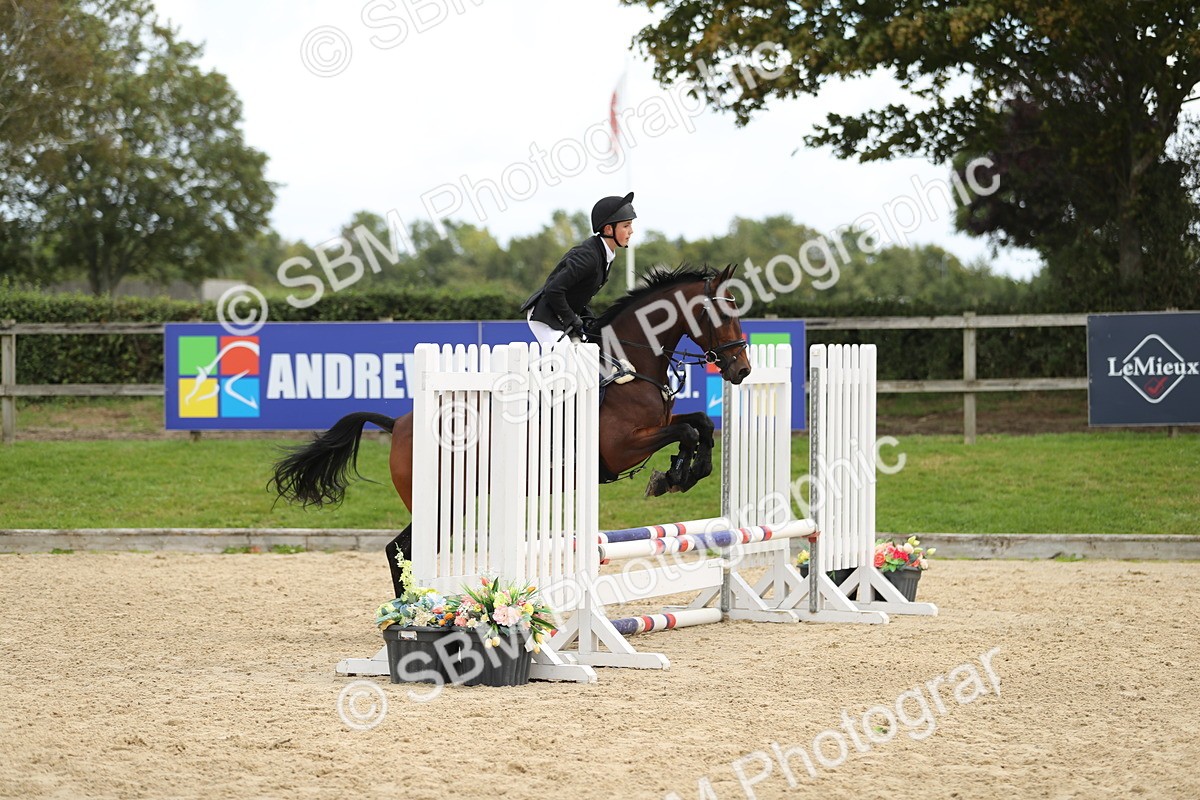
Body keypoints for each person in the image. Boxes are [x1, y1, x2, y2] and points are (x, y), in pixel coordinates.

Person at [520, 192, 636, 346]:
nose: (631, 231)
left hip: (560, 315)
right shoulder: (589, 256)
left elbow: (578, 292)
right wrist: (572, 319)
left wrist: (587, 317)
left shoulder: (605, 254)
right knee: (568, 361)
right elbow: (554, 290)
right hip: (545, 317)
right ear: (609, 229)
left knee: (586, 357)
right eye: (626, 225)